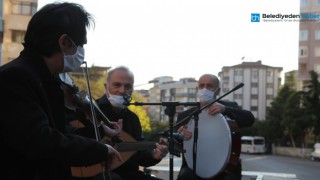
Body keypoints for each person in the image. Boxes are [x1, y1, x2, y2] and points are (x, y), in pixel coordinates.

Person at [0, 3, 121, 180]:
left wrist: (101, 132)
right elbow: (41, 141)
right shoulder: (15, 77)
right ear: (64, 42)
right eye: (81, 45)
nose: (82, 52)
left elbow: (61, 133)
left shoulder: (47, 79)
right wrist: (99, 150)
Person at [69, 66, 169, 180]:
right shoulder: (89, 110)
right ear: (106, 87)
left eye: (127, 86)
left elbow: (138, 156)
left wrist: (154, 155)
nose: (122, 90)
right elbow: (73, 139)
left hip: (130, 175)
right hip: (96, 175)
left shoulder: (133, 118)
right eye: (117, 85)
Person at [176, 74, 255, 180]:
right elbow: (174, 147)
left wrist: (225, 110)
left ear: (217, 90)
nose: (205, 89)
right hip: (192, 169)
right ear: (196, 89)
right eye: (201, 86)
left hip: (226, 169)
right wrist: (179, 135)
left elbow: (249, 119)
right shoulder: (185, 115)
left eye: (209, 86)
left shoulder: (229, 107)